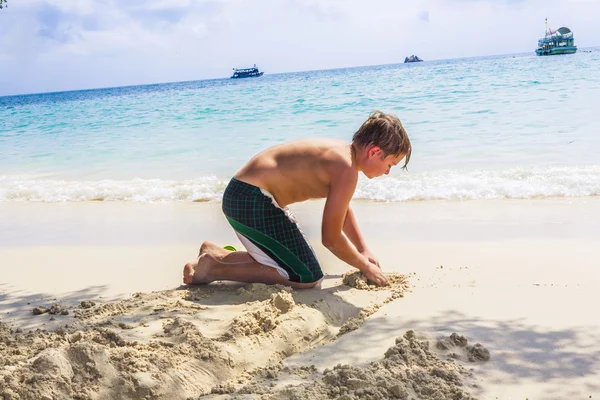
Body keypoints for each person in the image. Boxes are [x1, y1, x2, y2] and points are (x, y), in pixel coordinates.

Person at [183, 110, 411, 289]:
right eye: (389, 164)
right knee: (305, 276)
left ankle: (218, 254)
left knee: (296, 265)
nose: (388, 171)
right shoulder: (345, 168)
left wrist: (363, 250)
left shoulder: (344, 156)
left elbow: (341, 212)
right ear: (373, 152)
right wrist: (365, 267)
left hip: (247, 197)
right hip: (250, 200)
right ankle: (213, 269)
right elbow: (330, 238)